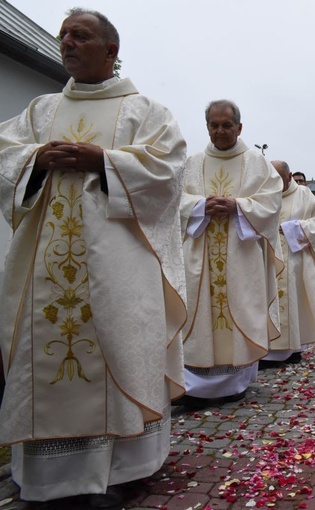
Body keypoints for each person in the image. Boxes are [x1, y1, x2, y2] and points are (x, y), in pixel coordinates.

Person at [0, 9, 186, 507]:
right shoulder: (39, 111)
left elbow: (169, 175)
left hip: (119, 270)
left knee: (120, 352)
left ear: (110, 50)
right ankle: (48, 479)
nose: (66, 43)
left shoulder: (145, 112)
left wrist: (102, 161)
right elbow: (3, 152)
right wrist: (34, 159)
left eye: (79, 36)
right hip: (43, 270)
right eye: (63, 35)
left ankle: (124, 470)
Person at [179, 100, 282, 407]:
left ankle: (234, 383)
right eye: (214, 125)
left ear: (240, 127)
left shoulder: (257, 163)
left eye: (226, 125)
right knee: (199, 316)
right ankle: (193, 385)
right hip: (200, 252)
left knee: (239, 309)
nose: (220, 131)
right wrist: (199, 207)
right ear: (207, 127)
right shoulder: (192, 163)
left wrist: (239, 206)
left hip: (240, 253)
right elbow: (173, 200)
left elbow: (271, 203)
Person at [260, 161, 315, 366]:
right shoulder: (263, 194)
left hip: (295, 259)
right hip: (267, 259)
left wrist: (295, 228)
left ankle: (294, 348)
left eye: (278, 178)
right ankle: (268, 350)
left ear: (289, 175)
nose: (274, 182)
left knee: (295, 301)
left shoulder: (303, 194)